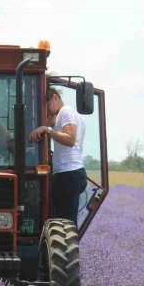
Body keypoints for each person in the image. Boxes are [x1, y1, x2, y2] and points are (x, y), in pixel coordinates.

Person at [29, 87, 87, 232]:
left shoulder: (66, 112)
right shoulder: (63, 114)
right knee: (63, 222)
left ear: (55, 98)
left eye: (46, 104)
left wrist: (47, 130)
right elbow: (51, 123)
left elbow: (70, 139)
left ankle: (69, 254)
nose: (46, 110)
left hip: (69, 173)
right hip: (69, 172)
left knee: (65, 224)